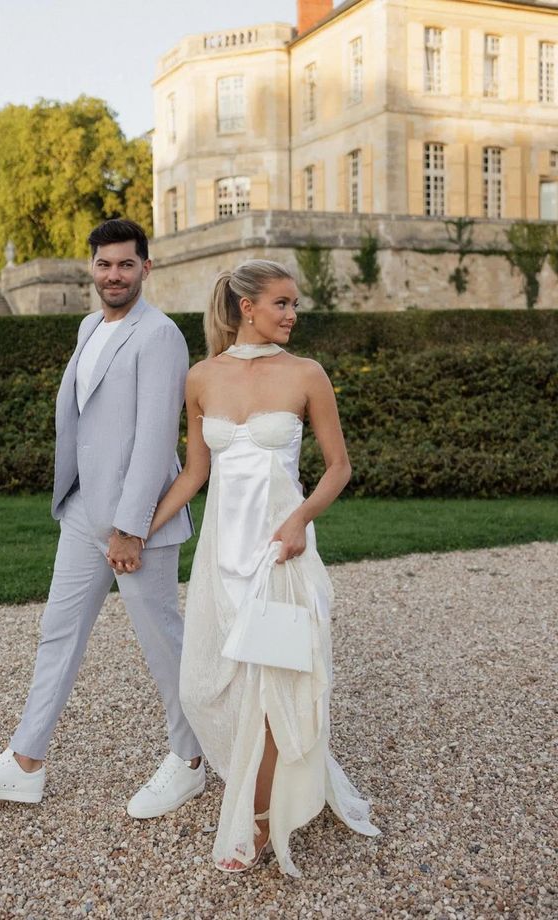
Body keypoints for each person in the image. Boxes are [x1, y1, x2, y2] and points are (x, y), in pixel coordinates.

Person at [0, 219, 205, 818]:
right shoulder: (89, 326)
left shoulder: (160, 335)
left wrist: (131, 526)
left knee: (162, 642)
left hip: (137, 521)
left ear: (146, 267)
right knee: (58, 634)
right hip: (83, 510)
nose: (113, 275)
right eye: (103, 264)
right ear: (91, 267)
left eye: (125, 264)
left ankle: (190, 760)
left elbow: (152, 439)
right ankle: (25, 763)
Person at [147, 260, 380, 876]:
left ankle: (256, 817)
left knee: (278, 678)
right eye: (282, 303)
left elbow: (338, 468)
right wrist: (140, 527)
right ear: (246, 306)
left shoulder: (307, 374)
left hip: (282, 547)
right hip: (223, 553)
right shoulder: (201, 378)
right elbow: (196, 473)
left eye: (295, 304)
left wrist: (300, 521)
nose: (292, 315)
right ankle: (257, 786)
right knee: (205, 685)